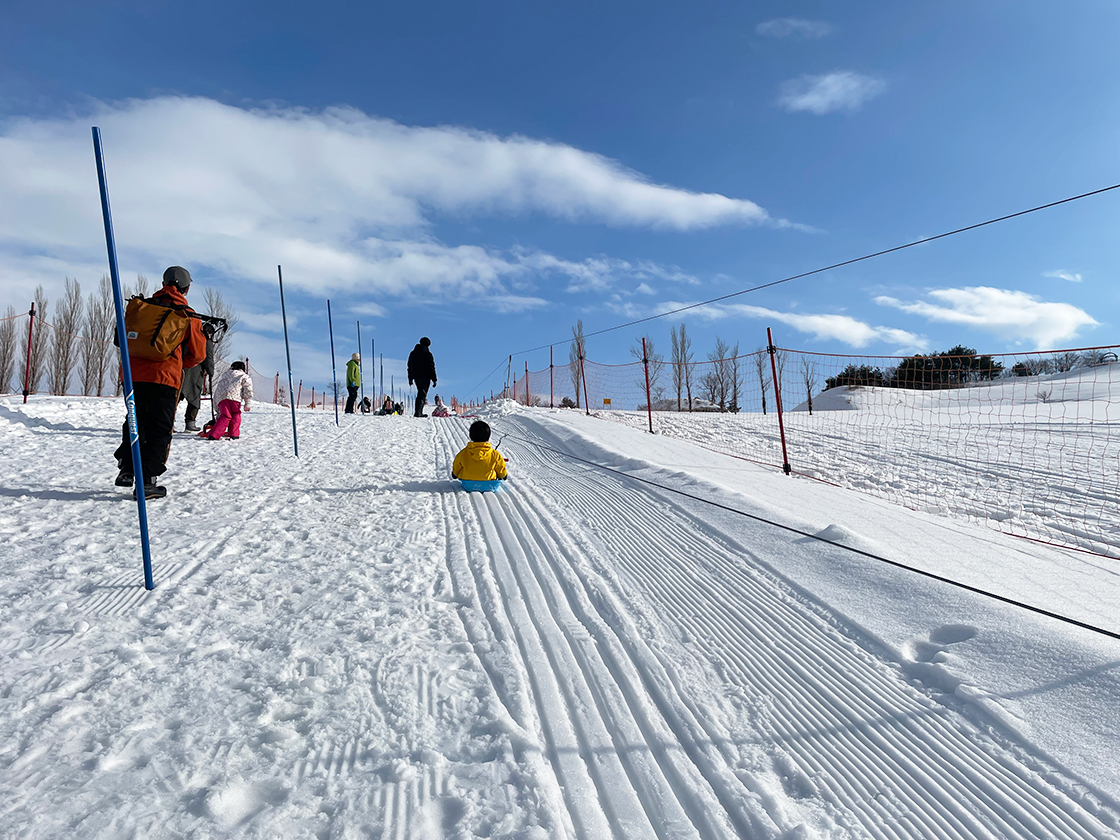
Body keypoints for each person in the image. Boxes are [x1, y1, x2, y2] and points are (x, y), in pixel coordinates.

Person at [114, 266, 207, 499]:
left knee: (135, 420)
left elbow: (120, 337)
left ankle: (127, 467)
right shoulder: (186, 314)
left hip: (132, 375)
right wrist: (177, 361)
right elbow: (197, 355)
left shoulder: (140, 307)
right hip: (164, 378)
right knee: (160, 427)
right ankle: (148, 480)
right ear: (186, 288)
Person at [178, 321, 216, 431]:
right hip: (194, 373)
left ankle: (169, 421)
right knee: (194, 398)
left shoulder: (188, 336)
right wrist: (210, 372)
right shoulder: (205, 340)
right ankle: (190, 423)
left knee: (176, 396)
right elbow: (208, 357)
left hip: (180, 370)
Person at [452, 420, 508, 488]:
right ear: (488, 437)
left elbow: (457, 466)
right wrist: (503, 476)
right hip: (489, 483)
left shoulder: (463, 453)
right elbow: (500, 468)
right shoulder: (495, 454)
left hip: (468, 484)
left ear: (470, 436)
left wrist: (455, 474)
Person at [206, 361, 253, 439]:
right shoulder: (243, 376)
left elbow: (218, 390)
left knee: (225, 416)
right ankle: (234, 434)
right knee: (236, 414)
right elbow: (248, 389)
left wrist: (216, 406)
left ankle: (214, 434)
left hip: (222, 399)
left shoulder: (224, 376)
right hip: (235, 398)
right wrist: (247, 402)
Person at [407, 337, 437, 418]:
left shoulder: (413, 353)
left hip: (416, 377)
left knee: (420, 392)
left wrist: (410, 379)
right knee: (422, 394)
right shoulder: (427, 354)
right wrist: (434, 379)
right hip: (425, 376)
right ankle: (418, 412)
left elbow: (409, 366)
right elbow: (431, 367)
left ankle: (419, 411)